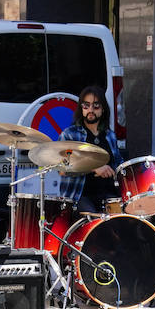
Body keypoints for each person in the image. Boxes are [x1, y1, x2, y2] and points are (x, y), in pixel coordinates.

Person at [56, 86, 124, 214]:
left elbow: (119, 164)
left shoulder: (110, 135)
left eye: (96, 106)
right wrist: (94, 168)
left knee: (125, 221)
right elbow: (62, 169)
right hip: (79, 196)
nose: (90, 110)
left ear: (103, 109)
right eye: (86, 106)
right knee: (93, 224)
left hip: (109, 196)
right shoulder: (70, 135)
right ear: (81, 109)